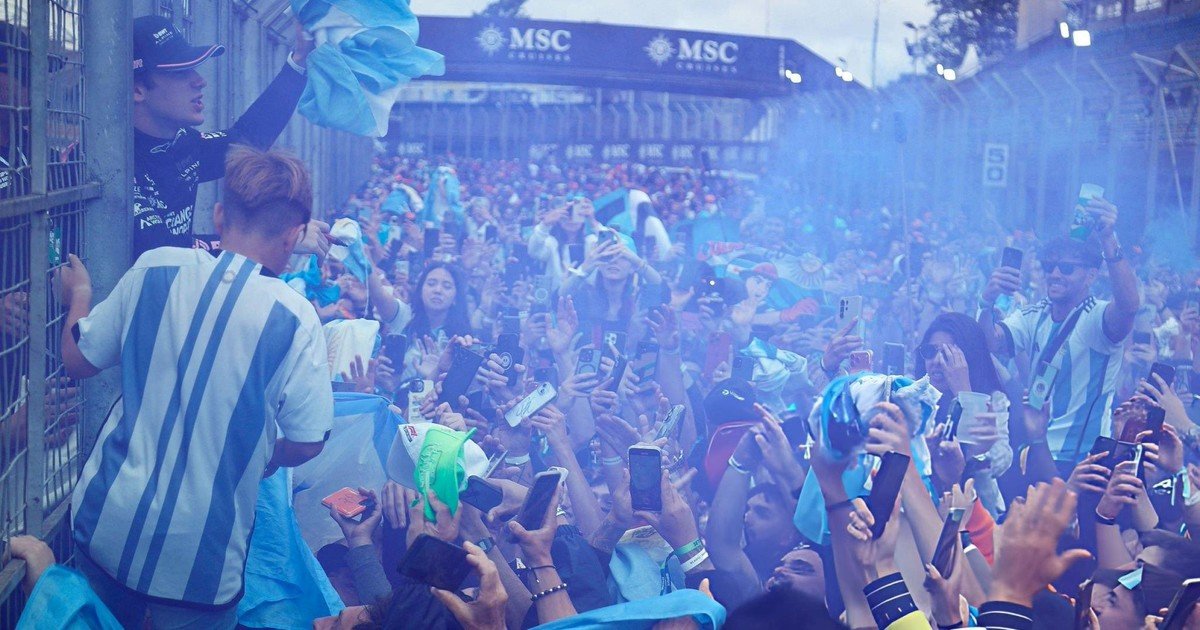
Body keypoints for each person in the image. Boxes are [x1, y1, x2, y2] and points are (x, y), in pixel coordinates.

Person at [57, 146, 332, 628]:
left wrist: (79, 295)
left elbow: (79, 360)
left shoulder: (156, 267)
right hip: (202, 567)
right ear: (293, 238)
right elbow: (308, 440)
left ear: (219, 215)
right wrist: (263, 456)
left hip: (104, 527)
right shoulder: (296, 318)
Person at [131, 15, 329, 259]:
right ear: (137, 90)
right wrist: (277, 238)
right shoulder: (110, 163)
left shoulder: (181, 143)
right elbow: (163, 254)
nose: (200, 81)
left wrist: (299, 60)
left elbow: (247, 138)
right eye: (181, 72)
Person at [979, 202, 1139, 469]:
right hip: (1032, 453)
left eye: (1066, 268)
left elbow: (1129, 306)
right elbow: (991, 343)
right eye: (1048, 266)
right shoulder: (1033, 315)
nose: (1054, 274)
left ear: (1091, 275)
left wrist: (1109, 238)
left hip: (1082, 461)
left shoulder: (1098, 319)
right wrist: (986, 301)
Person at [914, 312, 1012, 515]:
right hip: (922, 509)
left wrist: (964, 394)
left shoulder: (993, 400)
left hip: (974, 510)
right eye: (931, 351)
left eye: (949, 354)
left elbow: (1000, 462)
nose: (937, 361)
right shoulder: (915, 396)